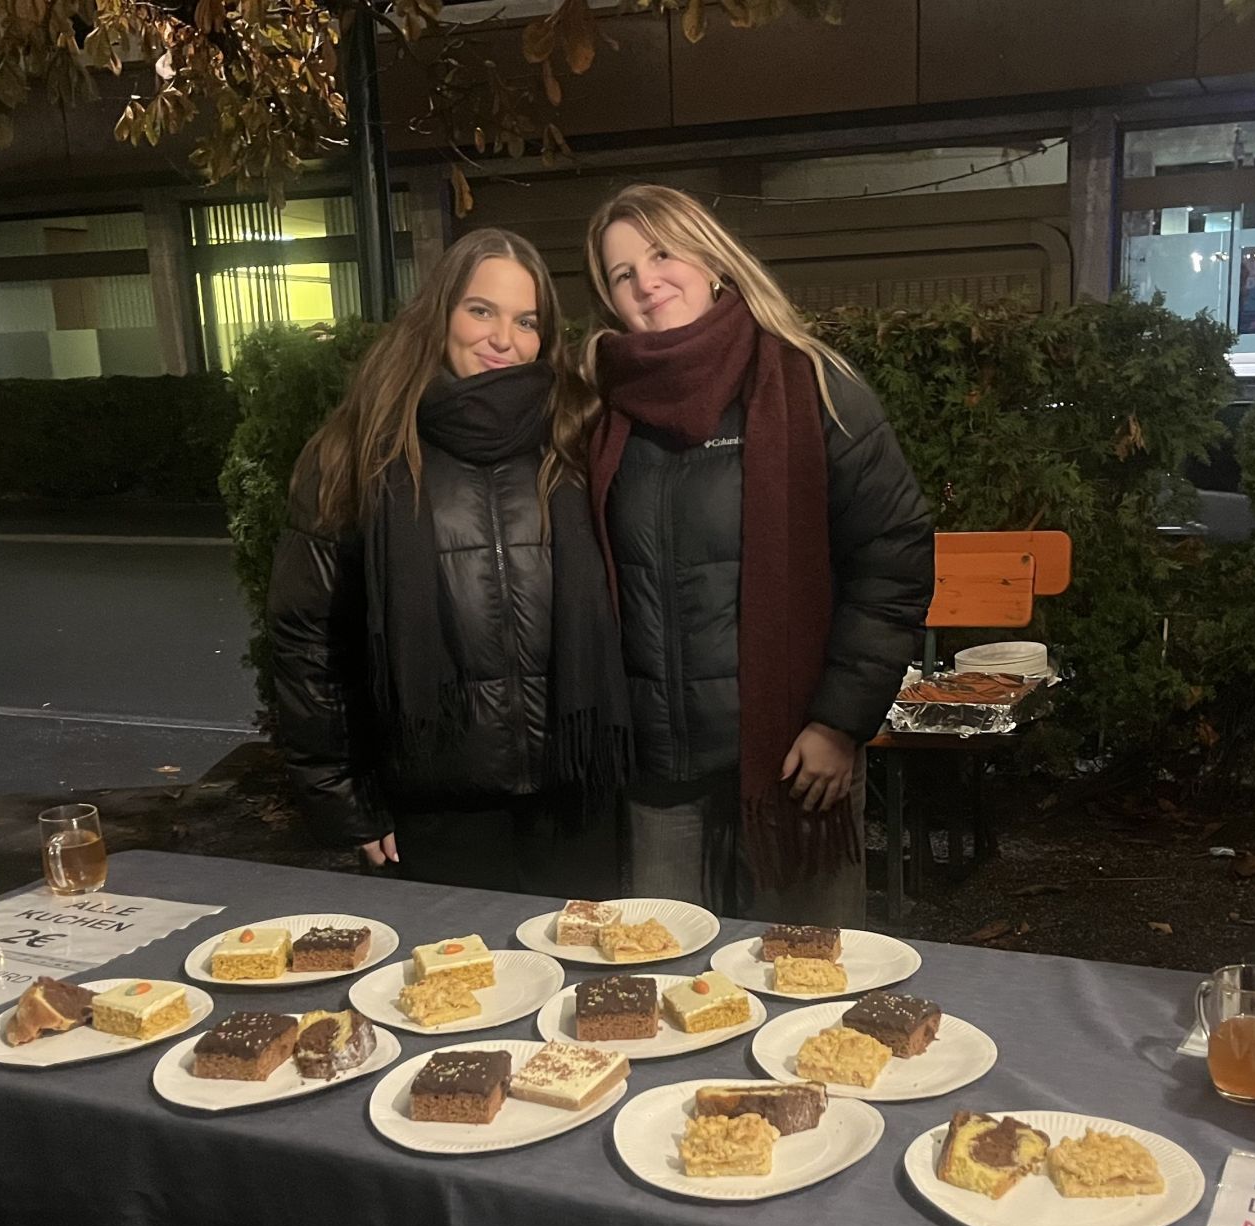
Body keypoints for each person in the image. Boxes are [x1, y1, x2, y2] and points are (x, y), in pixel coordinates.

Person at [581, 184, 934, 924]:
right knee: (671, 998)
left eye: (661, 252)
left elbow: (891, 558)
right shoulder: (599, 411)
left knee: (800, 999)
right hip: (658, 780)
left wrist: (840, 723)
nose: (645, 281)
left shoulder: (813, 386)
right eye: (620, 273)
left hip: (793, 765)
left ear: (711, 260)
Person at [269, 228, 629, 896]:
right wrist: (342, 795)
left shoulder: (577, 433)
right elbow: (308, 641)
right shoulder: (360, 451)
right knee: (454, 994)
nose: (504, 339)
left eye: (527, 321)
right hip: (432, 805)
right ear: (440, 313)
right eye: (481, 310)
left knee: (585, 994)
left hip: (576, 800)